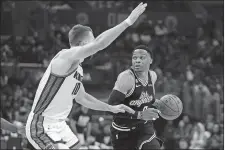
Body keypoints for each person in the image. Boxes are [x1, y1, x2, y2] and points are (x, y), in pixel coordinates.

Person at [25, 2, 147, 149]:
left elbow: (83, 98)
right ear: (82, 43)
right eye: (91, 40)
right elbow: (99, 44)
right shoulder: (65, 57)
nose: (94, 44)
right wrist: (128, 22)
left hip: (60, 125)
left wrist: (110, 108)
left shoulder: (79, 70)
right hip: (40, 124)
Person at [108, 45, 163, 150]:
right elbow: (111, 107)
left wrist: (160, 105)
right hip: (123, 131)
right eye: (134, 58)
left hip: (144, 128)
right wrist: (139, 114)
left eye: (142, 57)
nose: (137, 60)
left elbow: (148, 100)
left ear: (151, 60)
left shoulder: (153, 76)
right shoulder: (126, 78)